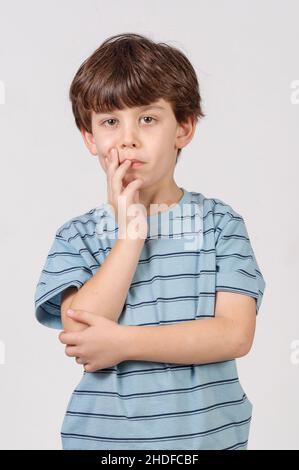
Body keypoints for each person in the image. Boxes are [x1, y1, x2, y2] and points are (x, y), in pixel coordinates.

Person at [34, 33, 266, 450]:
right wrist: (130, 234)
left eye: (147, 119)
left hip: (207, 442)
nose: (127, 139)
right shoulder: (77, 236)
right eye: (110, 121)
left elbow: (234, 334)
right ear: (90, 138)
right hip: (105, 444)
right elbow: (80, 330)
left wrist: (123, 343)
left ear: (183, 127)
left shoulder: (219, 224)